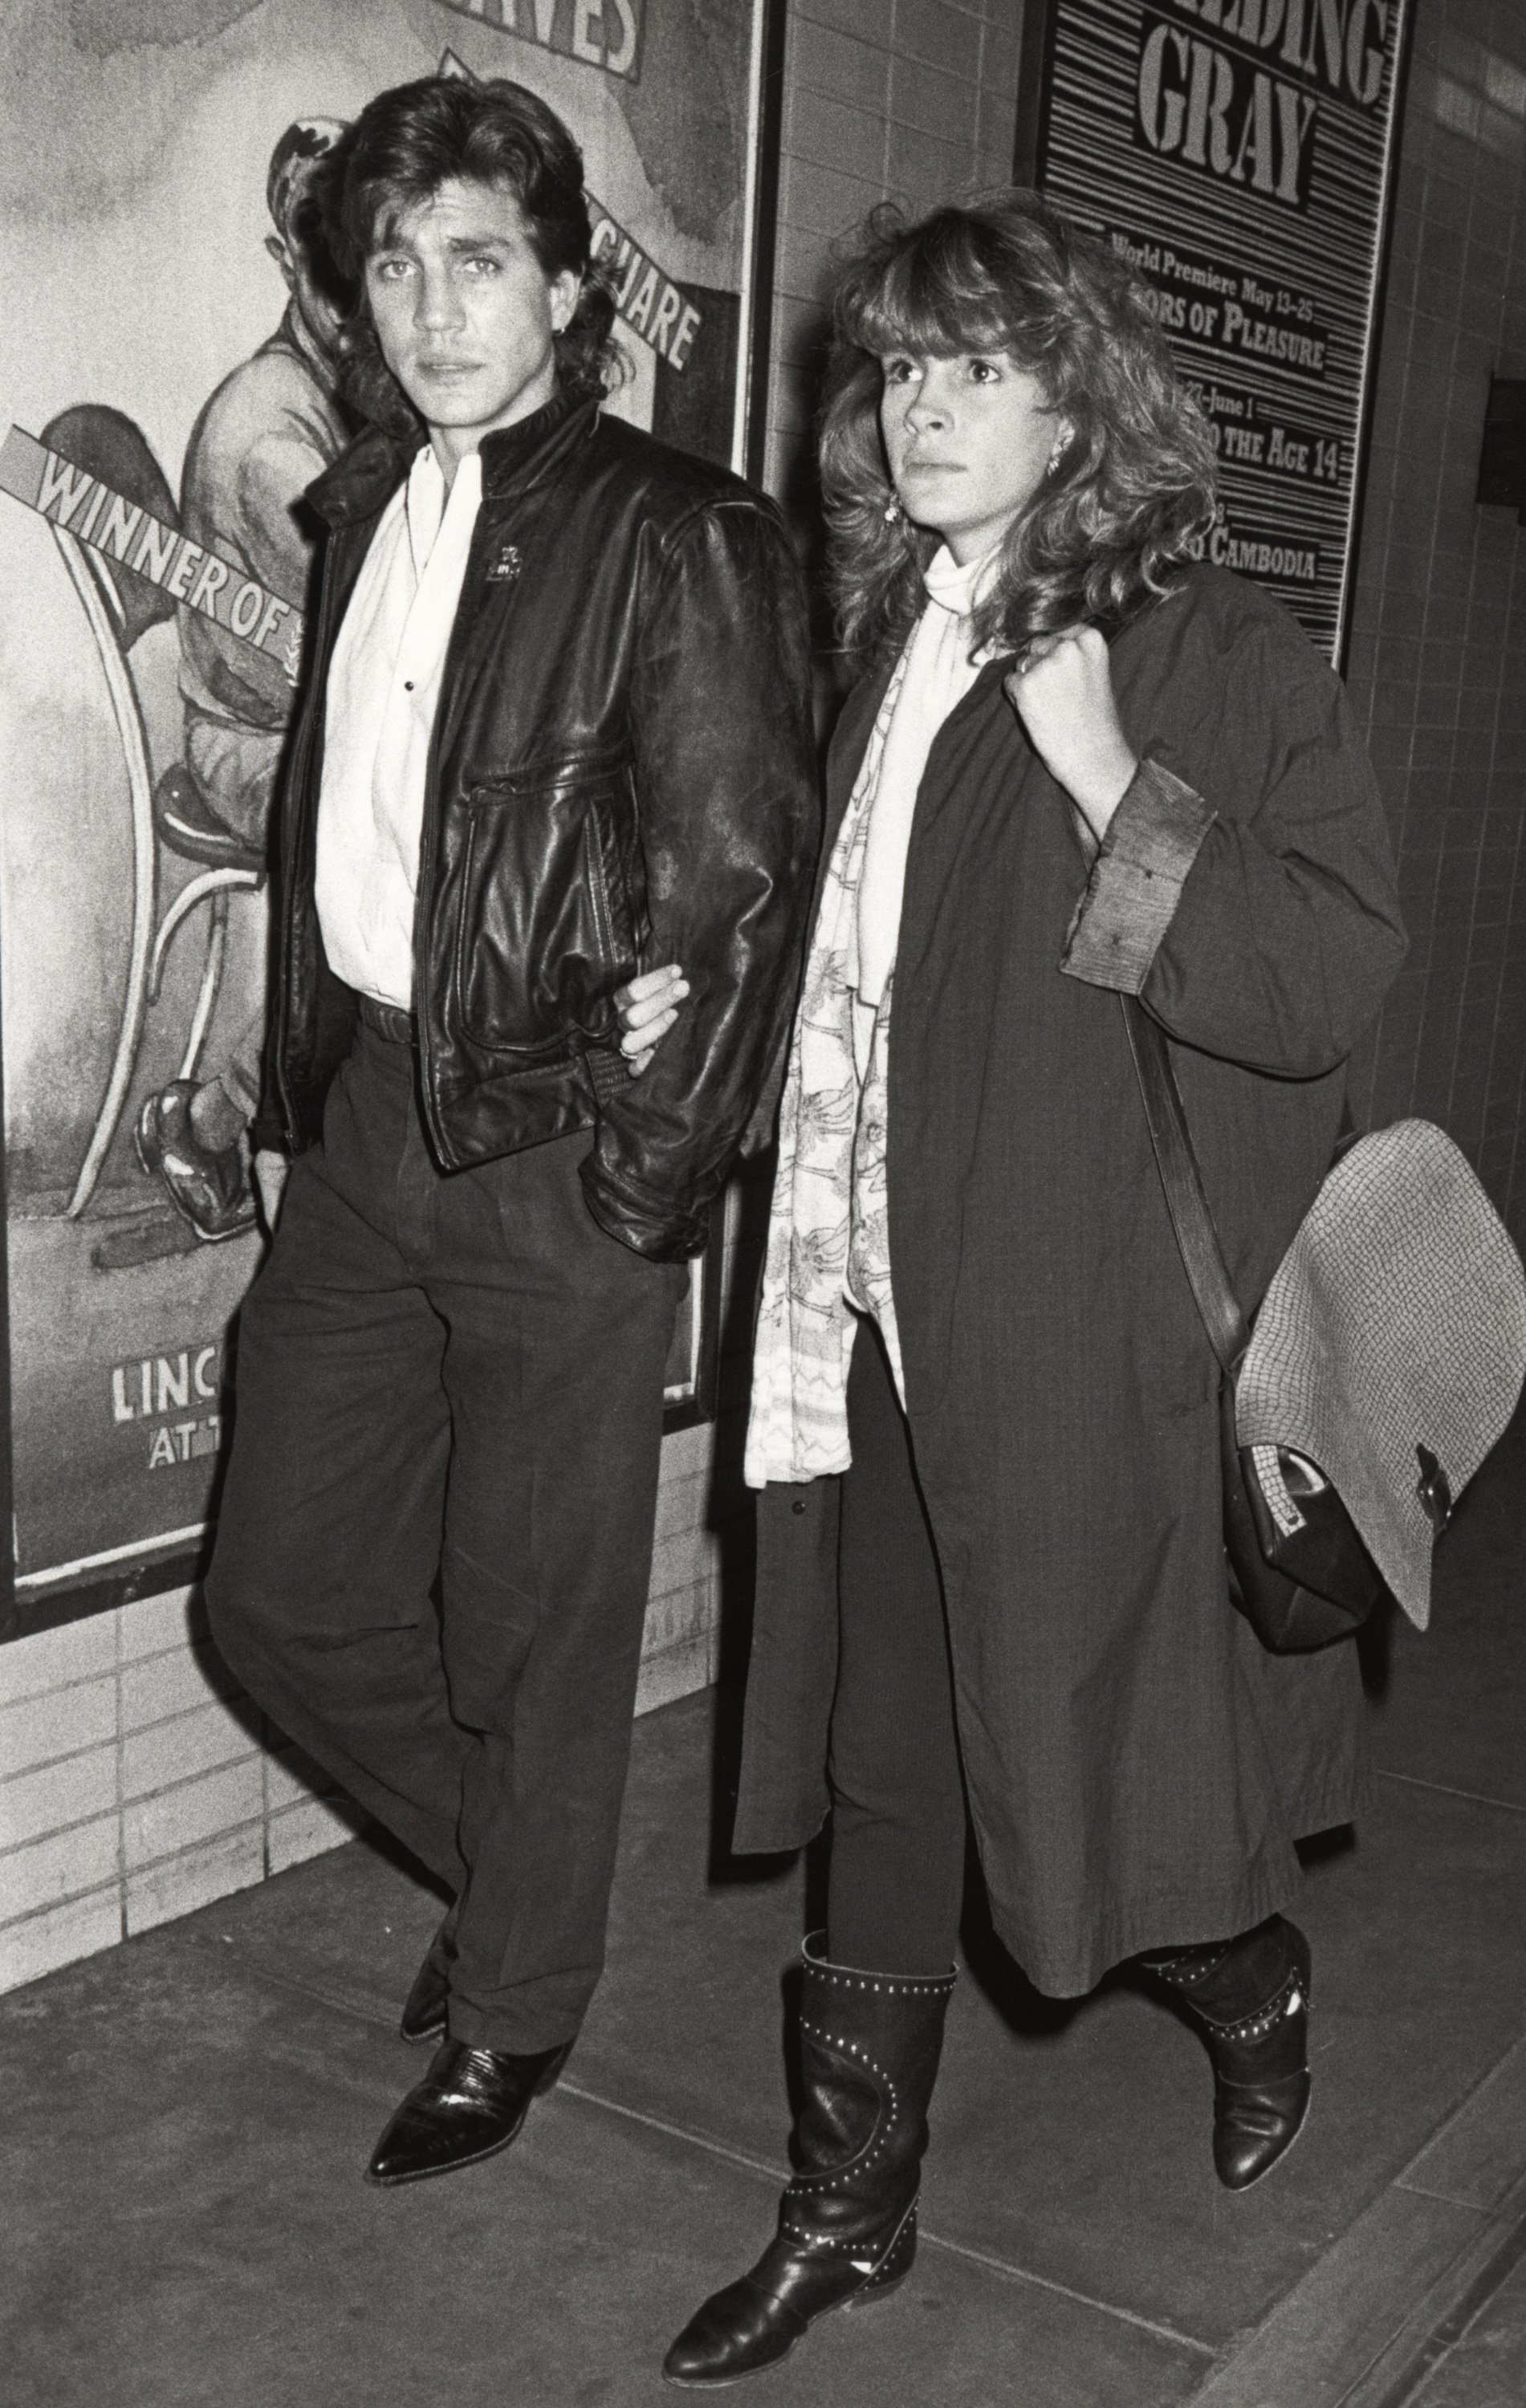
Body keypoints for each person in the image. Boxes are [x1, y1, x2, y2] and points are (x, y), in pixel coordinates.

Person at [645, 194, 1406, 2386]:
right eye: (899, 369)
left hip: (1088, 1349)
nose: (926, 408)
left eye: (978, 366)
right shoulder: (882, 637)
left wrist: (1105, 781)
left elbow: (1315, 977)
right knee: (897, 1771)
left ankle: (1243, 1976)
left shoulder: (1205, 652)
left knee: (1093, 1786)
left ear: (1079, 397)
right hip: (878, 1321)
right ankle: (842, 2214)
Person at [204, 75, 816, 2189]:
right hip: (380, 1107)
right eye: (394, 263)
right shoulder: (365, 500)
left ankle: (519, 2005)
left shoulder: (678, 531)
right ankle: (519, 1880)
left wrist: (634, 1177)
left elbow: (737, 899)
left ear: (566, 282)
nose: (432, 303)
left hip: (560, 1141)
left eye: (477, 257)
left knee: (531, 1616)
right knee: (274, 1591)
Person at [136, 118, 354, 1243]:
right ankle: (217, 1124)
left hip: (303, 727)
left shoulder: (336, 392)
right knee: (389, 862)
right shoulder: (274, 437)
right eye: (329, 260)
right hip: (251, 746)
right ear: (284, 262)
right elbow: (378, 643)